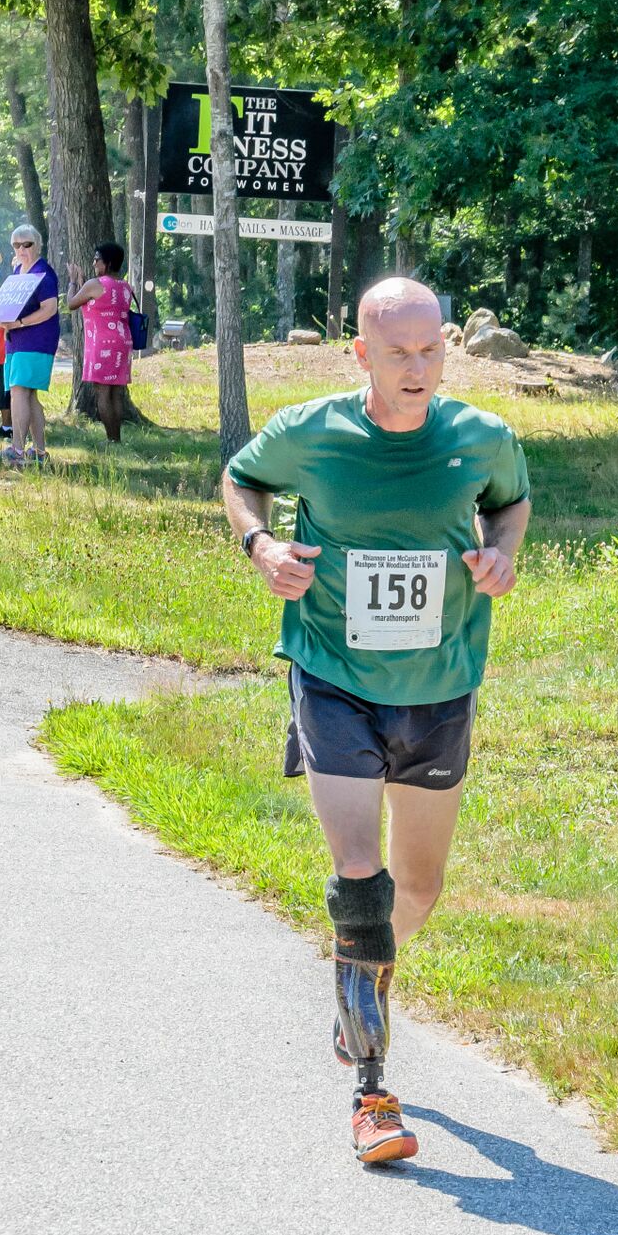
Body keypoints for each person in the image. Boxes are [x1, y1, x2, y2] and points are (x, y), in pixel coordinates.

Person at [221, 278, 530, 1164]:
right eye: (398, 352)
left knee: (417, 890)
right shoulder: (312, 431)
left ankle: (358, 978)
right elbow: (241, 480)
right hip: (334, 676)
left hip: (439, 682)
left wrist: (501, 553)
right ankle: (373, 1092)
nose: (418, 366)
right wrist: (262, 546)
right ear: (361, 354)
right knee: (362, 876)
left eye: (432, 349)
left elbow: (510, 501)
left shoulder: (480, 437)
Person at [0, 223, 58, 465]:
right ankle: (39, 452)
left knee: (19, 390)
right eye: (16, 245)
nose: (21, 249)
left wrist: (19, 323)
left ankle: (18, 450)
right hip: (15, 339)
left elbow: (50, 308)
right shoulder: (19, 271)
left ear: (37, 245)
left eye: (27, 244)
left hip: (36, 340)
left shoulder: (43, 273)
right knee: (28, 394)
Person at [66, 241, 134, 443]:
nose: (94, 263)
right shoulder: (125, 286)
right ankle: (117, 439)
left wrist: (73, 282)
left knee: (102, 392)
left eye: (97, 259)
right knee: (116, 392)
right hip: (122, 341)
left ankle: (111, 439)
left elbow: (71, 303)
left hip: (102, 343)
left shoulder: (95, 284)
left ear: (108, 263)